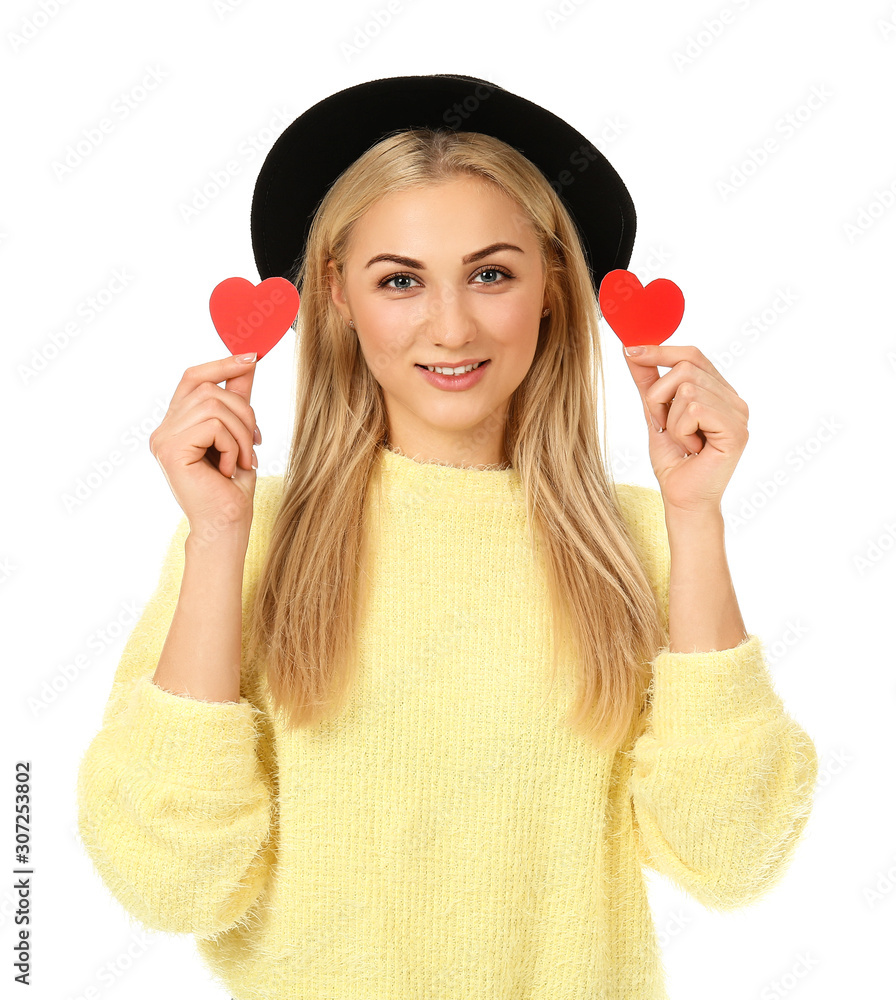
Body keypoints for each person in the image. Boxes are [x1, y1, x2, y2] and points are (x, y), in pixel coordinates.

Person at [76, 74, 818, 1000]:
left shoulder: (642, 542)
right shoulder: (248, 537)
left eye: (492, 273)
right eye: (399, 281)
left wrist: (697, 517)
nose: (452, 325)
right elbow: (171, 883)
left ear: (550, 289)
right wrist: (220, 540)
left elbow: (729, 855)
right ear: (337, 297)